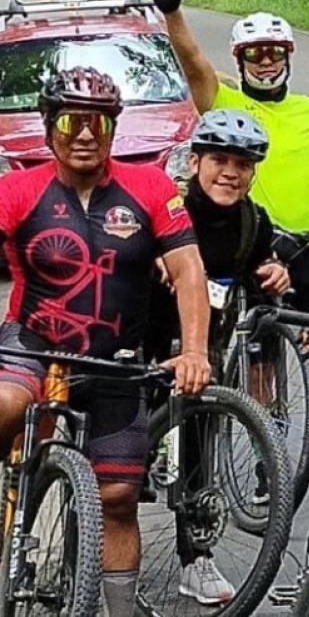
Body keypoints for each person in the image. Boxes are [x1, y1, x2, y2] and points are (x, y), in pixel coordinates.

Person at [0, 67, 210, 617]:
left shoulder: (149, 186)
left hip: (116, 358)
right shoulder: (18, 189)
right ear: (49, 126)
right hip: (33, 344)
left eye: (99, 123)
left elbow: (188, 270)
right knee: (7, 402)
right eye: (72, 121)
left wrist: (194, 351)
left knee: (118, 498)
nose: (86, 134)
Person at [142, 109, 289, 605]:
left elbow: (258, 278)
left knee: (198, 462)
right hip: (144, 351)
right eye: (219, 161)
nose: (230, 173)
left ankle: (196, 559)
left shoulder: (253, 222)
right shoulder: (166, 211)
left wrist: (275, 275)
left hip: (204, 356)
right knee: (122, 466)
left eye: (242, 164)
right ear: (195, 163)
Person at [145, 0, 309, 318]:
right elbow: (193, 63)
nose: (265, 61)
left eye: (274, 52)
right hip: (258, 242)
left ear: (287, 56)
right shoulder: (224, 103)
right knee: (258, 340)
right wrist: (172, 11)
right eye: (254, 53)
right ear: (239, 59)